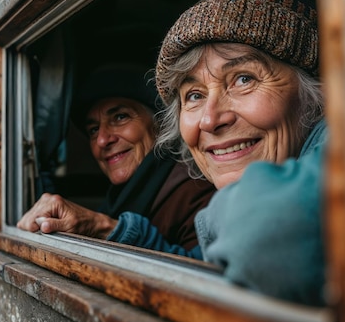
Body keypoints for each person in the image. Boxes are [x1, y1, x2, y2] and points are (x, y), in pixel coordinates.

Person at [19, 0, 327, 306]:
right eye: (193, 95)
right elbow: (203, 272)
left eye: (243, 79)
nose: (209, 119)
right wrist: (106, 229)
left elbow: (257, 234)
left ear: (316, 92)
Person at [18, 63, 216, 250]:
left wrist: (104, 227)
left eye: (120, 117)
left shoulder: (197, 196)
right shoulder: (119, 197)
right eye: (94, 130)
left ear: (161, 124)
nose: (102, 140)